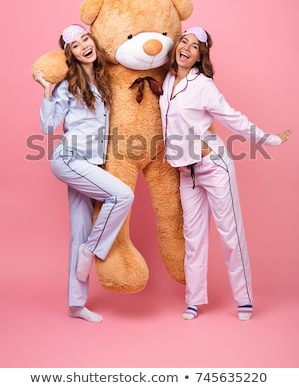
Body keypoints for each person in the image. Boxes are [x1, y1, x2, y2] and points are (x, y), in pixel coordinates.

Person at [159, 26, 292, 321]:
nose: (187, 48)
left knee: (230, 235)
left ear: (199, 56)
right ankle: (193, 301)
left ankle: (244, 300)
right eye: (184, 42)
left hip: (213, 166)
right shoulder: (166, 80)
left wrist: (269, 139)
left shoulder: (203, 84)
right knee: (193, 238)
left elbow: (233, 118)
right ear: (176, 46)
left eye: (194, 47)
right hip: (185, 173)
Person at [33, 24, 134, 323]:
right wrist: (47, 92)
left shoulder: (104, 79)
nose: (83, 46)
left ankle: (76, 305)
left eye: (85, 40)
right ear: (71, 55)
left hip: (90, 164)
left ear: (92, 42)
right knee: (122, 195)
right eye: (75, 46)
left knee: (79, 229)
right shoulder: (68, 85)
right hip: (69, 158)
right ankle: (93, 250)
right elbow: (49, 128)